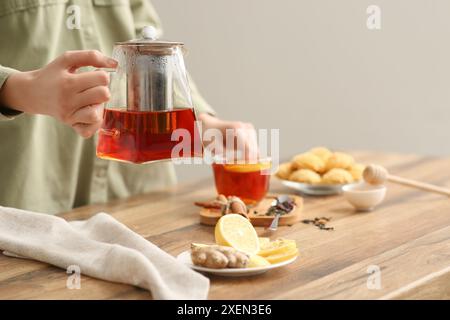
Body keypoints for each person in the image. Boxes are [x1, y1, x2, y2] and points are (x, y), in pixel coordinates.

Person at [0, 0, 257, 214]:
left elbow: (148, 40)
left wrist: (200, 119)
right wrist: (20, 88)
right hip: (28, 200)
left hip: (137, 198)